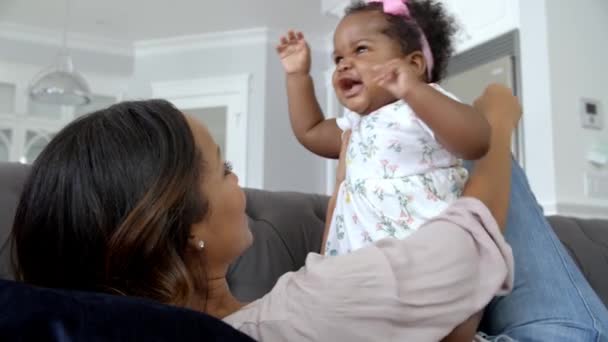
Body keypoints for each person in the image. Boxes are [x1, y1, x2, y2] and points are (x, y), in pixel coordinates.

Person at [10, 86, 608, 341]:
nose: (235, 176)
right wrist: (497, 123)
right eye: (220, 169)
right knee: (467, 133)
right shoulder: (301, 312)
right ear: (187, 224)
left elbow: (338, 259)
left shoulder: (263, 317)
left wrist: (352, 155)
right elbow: (468, 239)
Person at [276, 0, 491, 256]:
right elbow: (310, 131)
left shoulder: (423, 104)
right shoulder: (357, 124)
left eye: (361, 49)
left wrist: (413, 90)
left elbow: (477, 140)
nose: (344, 64)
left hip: (423, 256)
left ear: (414, 65)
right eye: (338, 58)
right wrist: (298, 77)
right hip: (361, 268)